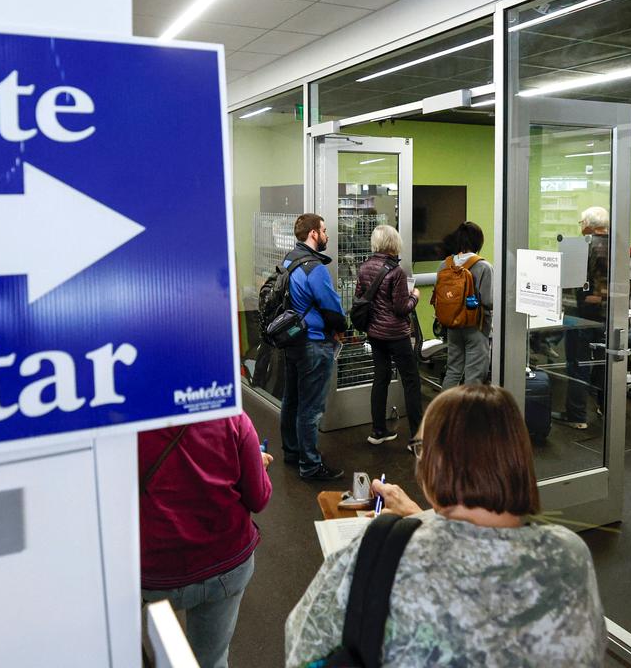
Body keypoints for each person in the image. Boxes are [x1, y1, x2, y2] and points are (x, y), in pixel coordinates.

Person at [284, 384, 606, 668]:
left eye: (421, 449)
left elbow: (304, 647)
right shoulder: (568, 554)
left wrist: (402, 528)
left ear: (434, 462)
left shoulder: (380, 552)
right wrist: (420, 516)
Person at [139, 412, 273, 668]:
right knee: (210, 660)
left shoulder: (128, 425)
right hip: (225, 564)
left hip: (154, 572)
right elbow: (259, 498)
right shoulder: (233, 419)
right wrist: (258, 465)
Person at [280, 213, 349, 482]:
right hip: (315, 342)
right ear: (312, 234)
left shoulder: (289, 260)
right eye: (324, 230)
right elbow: (332, 308)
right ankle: (310, 465)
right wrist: (341, 327)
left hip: (293, 339)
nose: (327, 234)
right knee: (311, 407)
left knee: (291, 399)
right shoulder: (315, 268)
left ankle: (292, 451)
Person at [355, 224, 422, 447]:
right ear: (394, 243)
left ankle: (378, 431)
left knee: (380, 378)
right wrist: (415, 296)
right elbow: (402, 308)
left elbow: (360, 297)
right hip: (396, 335)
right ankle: (417, 439)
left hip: (375, 333)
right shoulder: (397, 272)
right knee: (411, 382)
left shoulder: (364, 267)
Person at [554, 206, 610, 429]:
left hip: (582, 315)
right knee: (603, 364)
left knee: (578, 364)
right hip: (608, 313)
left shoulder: (584, 246)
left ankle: (576, 416)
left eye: (581, 223)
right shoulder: (618, 245)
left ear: (587, 224)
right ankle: (607, 410)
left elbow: (571, 283)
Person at [438, 221, 493, 388]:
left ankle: (445, 411)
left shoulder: (445, 265)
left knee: (453, 370)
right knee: (474, 374)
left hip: (452, 325)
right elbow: (488, 301)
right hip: (476, 326)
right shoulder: (484, 266)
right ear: (478, 242)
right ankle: (469, 413)